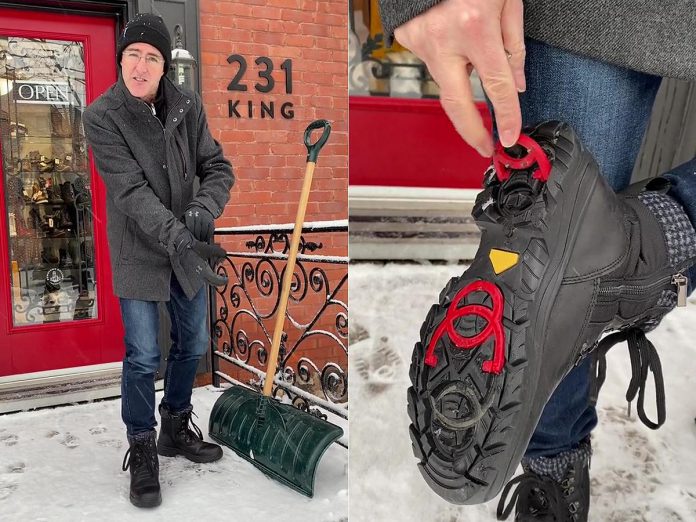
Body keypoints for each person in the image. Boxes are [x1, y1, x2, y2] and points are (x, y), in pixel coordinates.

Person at [379, 0, 696, 520]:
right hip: (593, 20)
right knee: (547, 277)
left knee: (557, 268)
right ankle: (551, 468)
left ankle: (644, 249)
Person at [83, 13, 234, 508]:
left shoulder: (188, 106)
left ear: (164, 66)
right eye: (133, 56)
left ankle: (174, 426)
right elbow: (130, 192)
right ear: (120, 60)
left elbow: (218, 167)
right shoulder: (103, 115)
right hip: (141, 251)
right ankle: (143, 446)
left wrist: (202, 209)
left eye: (151, 57)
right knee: (144, 354)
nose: (141, 66)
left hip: (184, 243)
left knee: (193, 342)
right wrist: (180, 235)